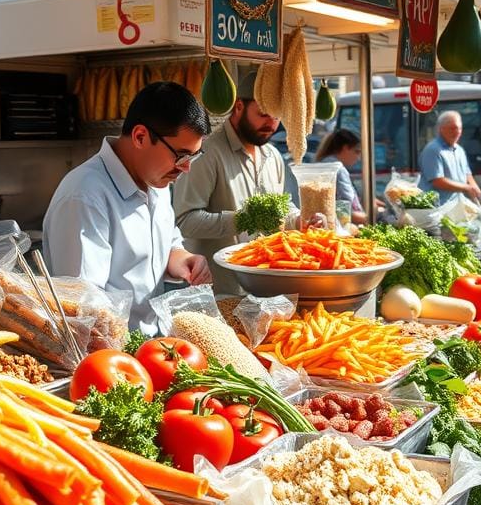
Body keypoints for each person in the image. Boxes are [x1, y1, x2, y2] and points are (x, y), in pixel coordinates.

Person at [44, 82, 211, 330]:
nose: (186, 168)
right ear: (140, 137)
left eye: (193, 157)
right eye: (181, 155)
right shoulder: (85, 196)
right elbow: (83, 306)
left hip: (151, 344)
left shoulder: (158, 181)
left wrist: (182, 260)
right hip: (111, 355)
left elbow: (166, 242)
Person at [173, 72, 286, 296]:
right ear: (239, 107)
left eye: (277, 116)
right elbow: (184, 222)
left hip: (265, 291)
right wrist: (242, 219)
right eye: (263, 113)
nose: (271, 124)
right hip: (219, 293)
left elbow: (281, 211)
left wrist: (302, 219)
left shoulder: (273, 156)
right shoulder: (206, 154)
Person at [313, 129, 380, 225]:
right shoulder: (338, 169)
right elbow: (345, 212)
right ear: (345, 148)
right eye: (357, 151)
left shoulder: (323, 164)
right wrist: (374, 215)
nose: (359, 157)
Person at [419, 110, 481, 207]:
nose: (457, 132)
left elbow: (467, 173)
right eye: (452, 128)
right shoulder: (433, 150)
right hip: (437, 208)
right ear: (441, 129)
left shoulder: (459, 150)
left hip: (455, 207)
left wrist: (474, 186)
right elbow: (437, 181)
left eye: (459, 128)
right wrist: (466, 188)